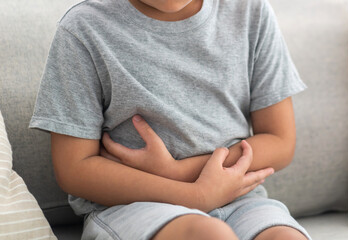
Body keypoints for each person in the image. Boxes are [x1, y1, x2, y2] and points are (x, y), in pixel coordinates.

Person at [30, 0, 311, 239]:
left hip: (238, 198)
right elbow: (74, 170)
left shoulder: (250, 11)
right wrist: (195, 197)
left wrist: (183, 173)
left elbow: (279, 141)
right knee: (209, 235)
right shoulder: (84, 28)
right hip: (135, 206)